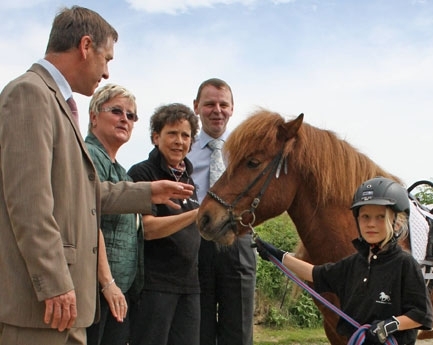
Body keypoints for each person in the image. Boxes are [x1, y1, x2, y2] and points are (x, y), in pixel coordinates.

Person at [0, 7, 193, 345]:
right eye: (106, 59)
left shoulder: (56, 101)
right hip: (40, 306)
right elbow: (28, 202)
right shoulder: (29, 93)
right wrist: (54, 281)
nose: (106, 72)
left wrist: (148, 192)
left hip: (67, 307)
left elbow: (85, 194)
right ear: (85, 46)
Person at [255, 177, 433, 345]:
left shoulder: (405, 264)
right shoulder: (354, 263)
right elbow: (315, 273)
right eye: (365, 217)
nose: (371, 224)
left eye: (380, 217)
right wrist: (277, 255)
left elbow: (420, 314)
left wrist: (388, 326)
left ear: (396, 222)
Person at [186, 78, 256, 345]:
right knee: (198, 328)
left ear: (232, 108)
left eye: (223, 104)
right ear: (196, 107)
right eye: (210, 104)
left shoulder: (245, 152)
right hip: (195, 241)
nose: (217, 110)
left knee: (238, 331)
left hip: (238, 241)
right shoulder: (184, 148)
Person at [128, 103, 201, 345]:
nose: (179, 141)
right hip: (154, 285)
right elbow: (147, 229)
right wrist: (198, 214)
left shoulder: (190, 180)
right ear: (155, 137)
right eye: (172, 133)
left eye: (185, 135)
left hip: (190, 286)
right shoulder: (142, 173)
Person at [84, 84, 143, 345]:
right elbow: (86, 220)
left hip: (117, 293)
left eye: (131, 116)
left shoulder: (122, 172)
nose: (125, 119)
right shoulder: (87, 156)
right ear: (94, 116)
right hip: (94, 291)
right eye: (117, 111)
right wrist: (107, 283)